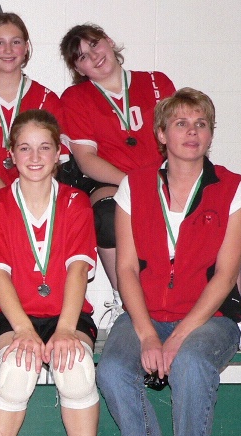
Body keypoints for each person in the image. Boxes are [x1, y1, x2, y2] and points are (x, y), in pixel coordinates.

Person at [96, 88, 241, 436]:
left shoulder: (232, 187)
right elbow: (126, 269)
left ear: (211, 135)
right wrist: (147, 334)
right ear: (162, 134)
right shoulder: (135, 184)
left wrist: (178, 337)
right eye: (181, 123)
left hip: (209, 319)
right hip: (145, 314)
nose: (192, 132)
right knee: (113, 370)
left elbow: (225, 277)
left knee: (191, 364)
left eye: (201, 124)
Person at [0, 109, 105, 436]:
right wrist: (25, 331)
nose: (34, 157)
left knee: (77, 367)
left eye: (44, 147)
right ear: (11, 154)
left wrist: (66, 329)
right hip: (9, 314)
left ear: (59, 154)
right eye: (25, 148)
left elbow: (77, 270)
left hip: (66, 312)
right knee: (19, 365)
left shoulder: (75, 202)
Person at [59, 23, 175, 333]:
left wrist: (168, 182)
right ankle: (123, 299)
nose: (93, 56)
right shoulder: (76, 97)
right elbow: (86, 160)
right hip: (112, 181)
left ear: (109, 41)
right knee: (107, 215)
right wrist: (135, 185)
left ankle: (229, 310)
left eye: (94, 45)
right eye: (82, 57)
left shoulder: (156, 81)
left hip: (165, 177)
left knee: (216, 202)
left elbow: (179, 135)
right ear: (79, 69)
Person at [0, 13, 66, 192]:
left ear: (26, 48)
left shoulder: (47, 99)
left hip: (36, 193)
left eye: (16, 42)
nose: (8, 50)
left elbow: (53, 162)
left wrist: (28, 199)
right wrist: (10, 200)